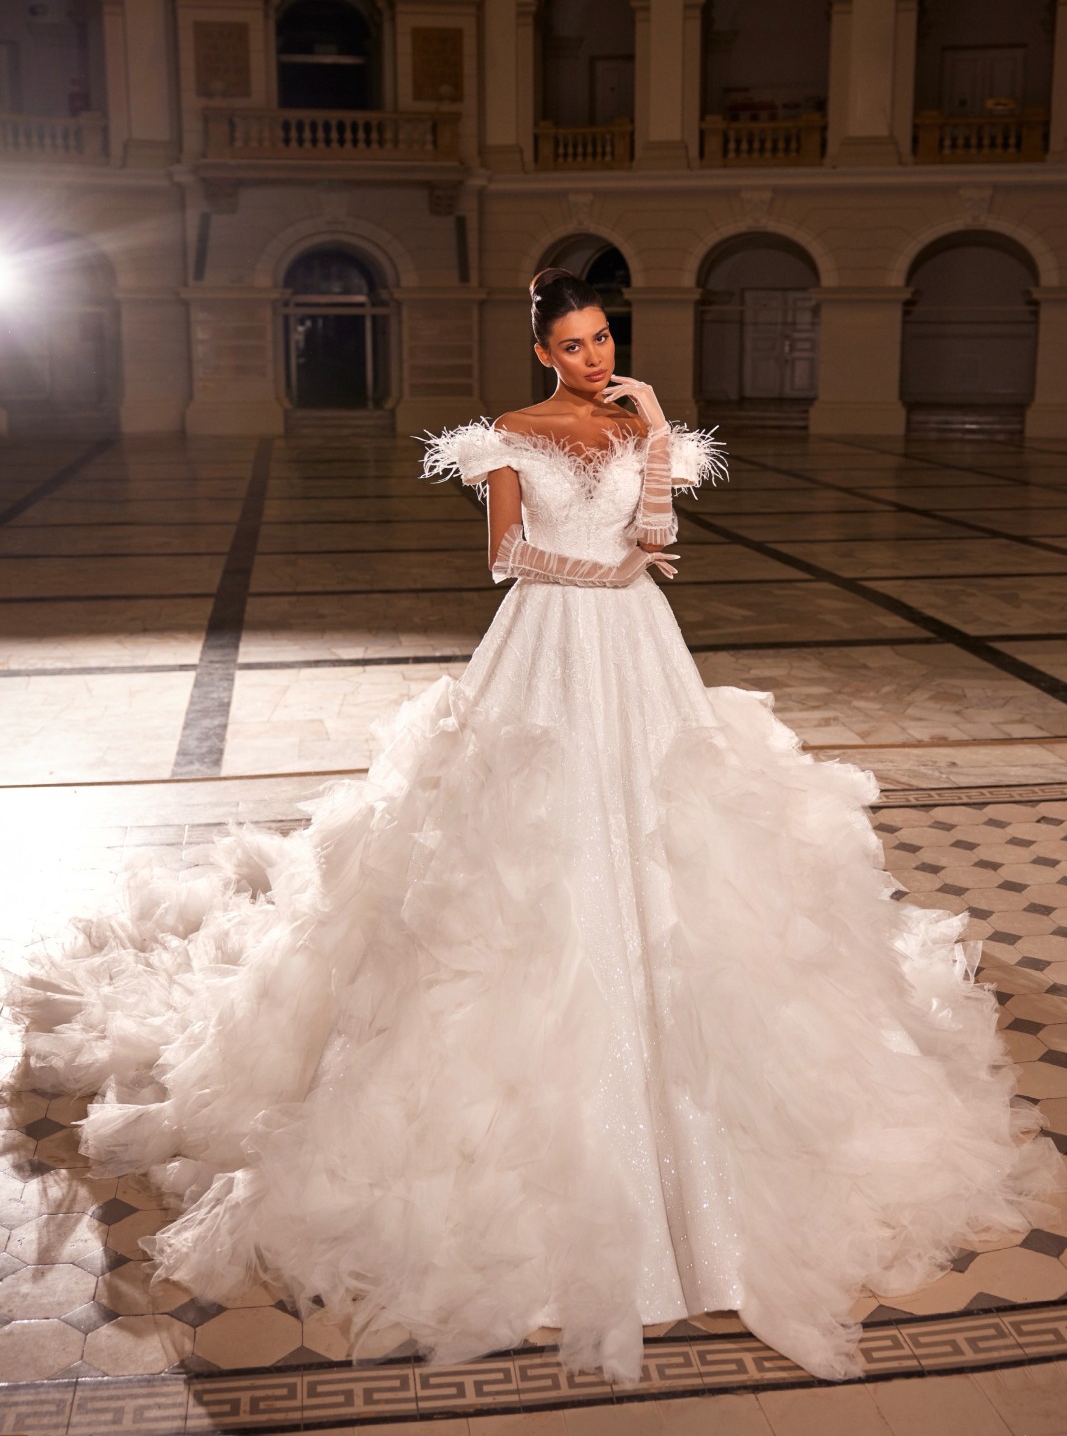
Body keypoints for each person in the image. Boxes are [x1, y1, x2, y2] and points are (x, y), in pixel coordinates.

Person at [6, 267, 1063, 1388]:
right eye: (573, 345)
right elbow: (506, 555)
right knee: (513, 866)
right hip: (548, 644)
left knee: (680, 842)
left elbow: (660, 539)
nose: (594, 359)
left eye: (603, 339)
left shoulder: (633, 419)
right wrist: (605, 569)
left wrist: (652, 437)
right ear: (541, 352)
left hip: (638, 652)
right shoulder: (509, 435)